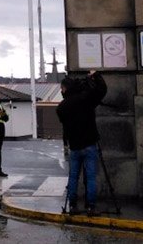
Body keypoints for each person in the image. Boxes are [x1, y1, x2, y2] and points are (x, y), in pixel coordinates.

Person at [56, 71, 107, 215]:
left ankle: (72, 205)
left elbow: (65, 120)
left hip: (75, 146)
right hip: (90, 143)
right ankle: (91, 207)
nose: (61, 91)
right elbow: (102, 91)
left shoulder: (61, 108)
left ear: (66, 89)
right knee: (91, 177)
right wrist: (96, 76)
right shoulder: (86, 98)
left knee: (73, 177)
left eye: (62, 88)